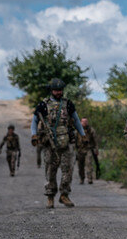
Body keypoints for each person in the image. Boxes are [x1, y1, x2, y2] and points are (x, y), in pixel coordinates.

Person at [30, 78, 86, 208]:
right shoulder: (43, 105)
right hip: (50, 144)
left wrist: (82, 134)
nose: (58, 92)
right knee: (50, 170)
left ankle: (64, 195)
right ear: (51, 90)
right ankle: (50, 197)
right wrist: (34, 135)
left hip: (67, 142)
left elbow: (76, 120)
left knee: (68, 169)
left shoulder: (68, 104)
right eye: (56, 90)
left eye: (60, 90)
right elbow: (34, 121)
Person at [75, 118, 99, 184]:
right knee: (80, 165)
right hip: (80, 150)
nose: (84, 123)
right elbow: (74, 139)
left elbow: (95, 140)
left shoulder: (91, 130)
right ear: (80, 122)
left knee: (89, 164)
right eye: (83, 121)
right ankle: (82, 178)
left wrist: (96, 149)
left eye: (86, 121)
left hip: (88, 149)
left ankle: (90, 179)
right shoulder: (77, 130)